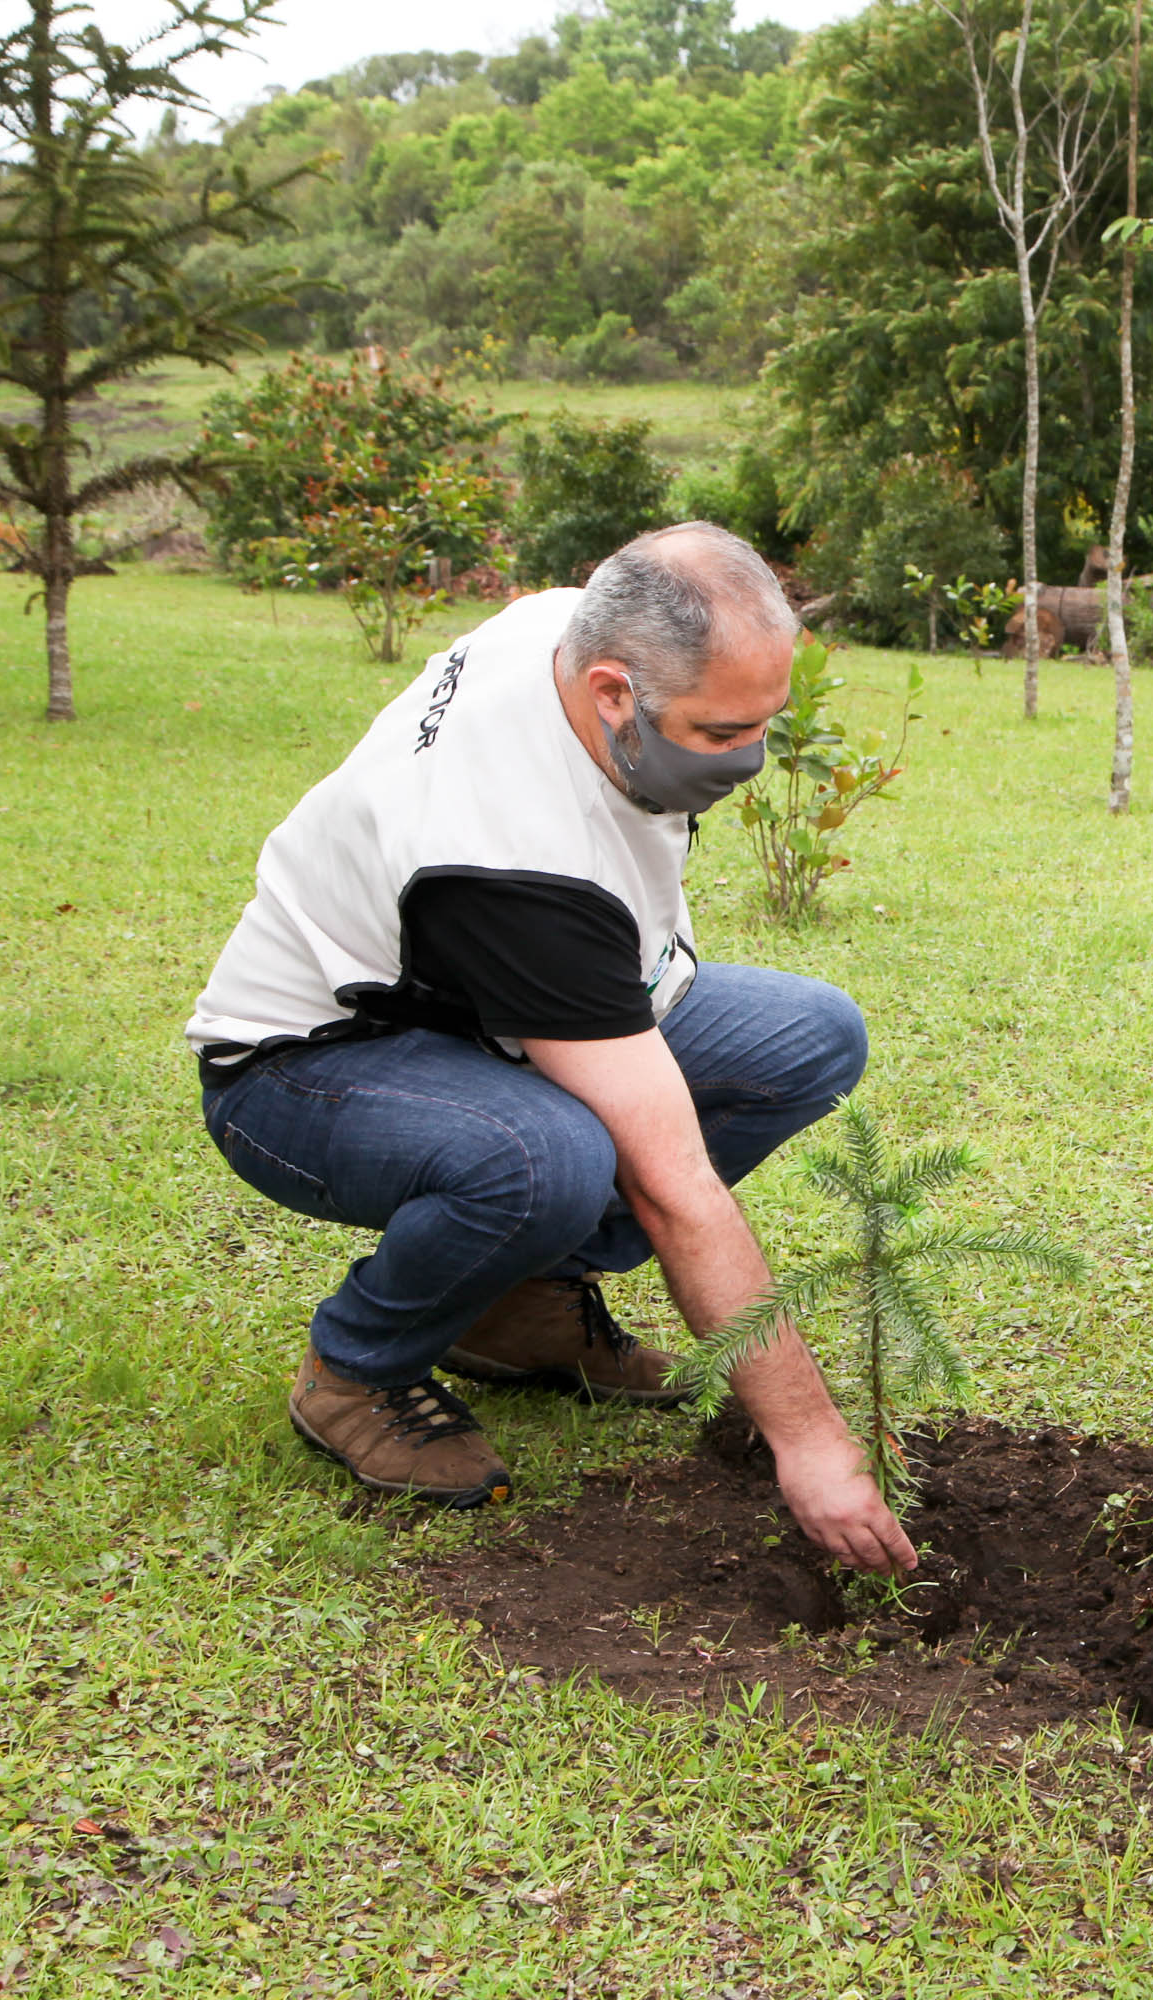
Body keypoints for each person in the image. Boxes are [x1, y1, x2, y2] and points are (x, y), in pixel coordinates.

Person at [186, 522, 916, 1572]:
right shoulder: (508, 858)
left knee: (806, 1037)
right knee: (550, 1158)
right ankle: (356, 1366)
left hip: (492, 1007)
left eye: (765, 723)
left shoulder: (563, 629)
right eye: (720, 733)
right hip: (314, 1061)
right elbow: (672, 1185)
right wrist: (809, 1438)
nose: (750, 759)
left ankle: (521, 1304)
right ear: (615, 691)